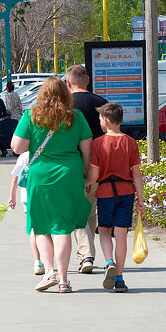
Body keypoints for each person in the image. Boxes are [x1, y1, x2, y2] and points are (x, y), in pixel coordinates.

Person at [10, 77, 92, 294]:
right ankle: (64, 280)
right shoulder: (76, 117)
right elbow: (87, 150)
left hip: (41, 176)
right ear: (66, 93)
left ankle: (49, 272)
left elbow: (17, 147)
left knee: (42, 226)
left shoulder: (31, 116)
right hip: (70, 174)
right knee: (63, 227)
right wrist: (85, 175)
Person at [89, 102, 144, 293]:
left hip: (105, 192)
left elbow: (95, 176)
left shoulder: (98, 143)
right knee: (121, 235)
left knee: (104, 231)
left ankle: (109, 261)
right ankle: (119, 279)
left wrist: (87, 182)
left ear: (105, 120)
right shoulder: (130, 142)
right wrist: (141, 200)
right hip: (126, 192)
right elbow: (136, 173)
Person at [65, 64, 108, 275]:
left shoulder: (65, 105)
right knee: (90, 210)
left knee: (75, 211)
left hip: (72, 164)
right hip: (98, 165)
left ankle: (86, 254)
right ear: (88, 80)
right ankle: (86, 253)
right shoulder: (101, 103)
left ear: (68, 82)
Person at [8, 149, 44, 275]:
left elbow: (15, 179)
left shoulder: (23, 157)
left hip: (27, 198)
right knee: (47, 230)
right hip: (44, 196)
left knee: (34, 229)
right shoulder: (46, 153)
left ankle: (37, 261)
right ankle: (49, 258)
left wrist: (12, 197)